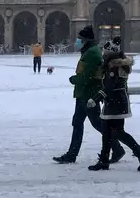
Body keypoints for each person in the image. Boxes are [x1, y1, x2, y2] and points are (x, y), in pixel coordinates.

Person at [53, 26, 125, 164]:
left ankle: (117, 148)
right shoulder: (88, 51)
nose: (77, 41)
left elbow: (87, 76)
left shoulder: (92, 53)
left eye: (79, 39)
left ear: (86, 40)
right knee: (78, 123)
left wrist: (74, 79)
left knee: (98, 124)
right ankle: (71, 154)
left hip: (88, 94)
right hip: (83, 94)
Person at [86, 37, 140, 172]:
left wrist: (96, 98)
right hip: (115, 102)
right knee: (107, 132)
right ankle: (104, 161)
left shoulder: (114, 67)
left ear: (110, 53)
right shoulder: (115, 65)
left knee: (117, 133)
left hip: (116, 103)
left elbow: (110, 86)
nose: (103, 55)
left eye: (105, 53)